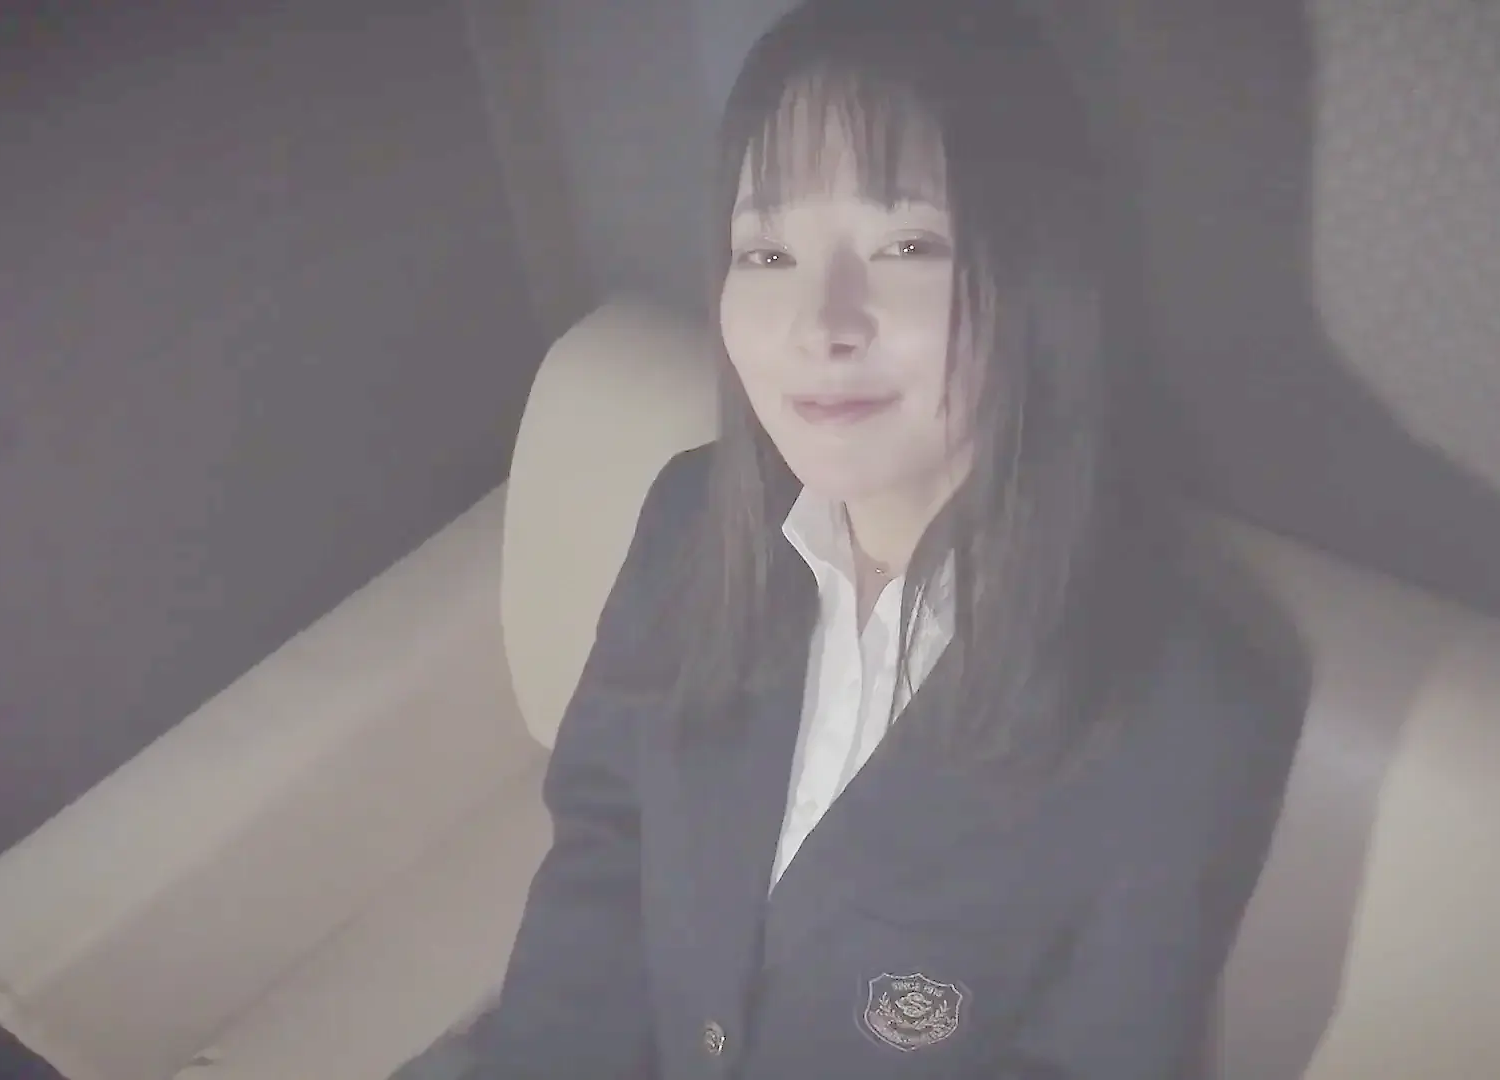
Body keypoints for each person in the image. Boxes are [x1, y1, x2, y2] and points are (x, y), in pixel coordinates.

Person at [471, 0, 1306, 1076]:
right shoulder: (688, 518)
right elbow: (605, 845)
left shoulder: (1186, 713)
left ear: (1040, 273)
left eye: (906, 244)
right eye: (767, 250)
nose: (822, 322)